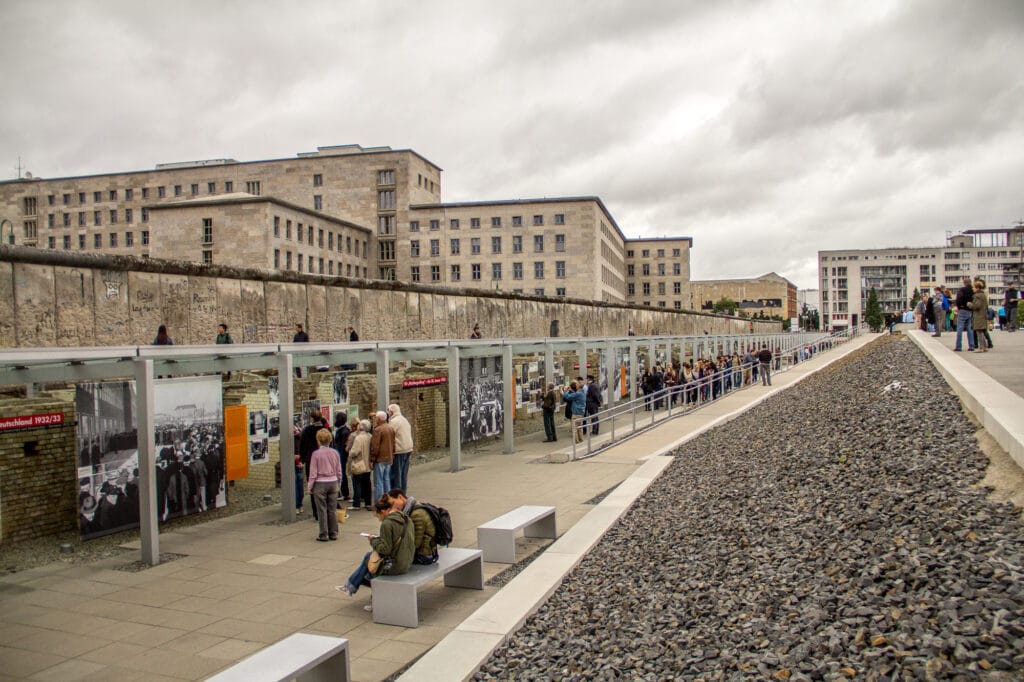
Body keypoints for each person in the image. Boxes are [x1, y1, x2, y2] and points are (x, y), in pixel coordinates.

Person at [335, 496, 415, 605]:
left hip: (396, 565)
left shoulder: (387, 524)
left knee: (369, 564)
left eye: (378, 516)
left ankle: (355, 588)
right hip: (407, 560)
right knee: (369, 561)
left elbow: (385, 550)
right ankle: (352, 586)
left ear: (384, 512)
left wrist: (373, 541)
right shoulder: (406, 519)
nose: (378, 519)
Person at [386, 489, 438, 565]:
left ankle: (365, 577)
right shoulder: (411, 508)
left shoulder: (416, 514)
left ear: (400, 497)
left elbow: (415, 543)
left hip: (424, 555)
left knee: (382, 562)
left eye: (393, 503)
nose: (393, 507)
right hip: (422, 551)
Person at [307, 428, 342, 541]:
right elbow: (339, 470)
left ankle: (324, 533)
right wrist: (339, 483)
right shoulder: (335, 453)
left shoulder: (316, 454)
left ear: (318, 440)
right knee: (332, 509)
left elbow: (313, 473)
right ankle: (334, 532)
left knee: (321, 509)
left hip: (320, 483)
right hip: (333, 482)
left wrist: (310, 487)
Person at [298, 408, 326, 518]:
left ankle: (316, 512)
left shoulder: (307, 430)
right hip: (324, 460)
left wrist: (303, 459)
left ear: (312, 418)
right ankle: (324, 509)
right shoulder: (325, 429)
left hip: (311, 461)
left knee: (313, 485)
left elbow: (302, 446)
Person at [347, 420, 373, 510]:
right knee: (367, 483)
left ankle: (356, 504)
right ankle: (368, 502)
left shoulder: (358, 438)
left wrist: (350, 453)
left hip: (359, 463)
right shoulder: (370, 436)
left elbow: (354, 451)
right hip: (367, 463)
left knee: (357, 484)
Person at [370, 411, 395, 501]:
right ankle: (388, 499)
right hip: (388, 457)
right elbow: (393, 443)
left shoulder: (378, 430)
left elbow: (375, 446)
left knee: (378, 482)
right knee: (386, 479)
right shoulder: (390, 428)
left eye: (376, 418)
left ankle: (379, 501)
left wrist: (372, 459)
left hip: (380, 459)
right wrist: (392, 455)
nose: (375, 419)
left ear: (379, 419)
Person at [388, 404, 413, 493]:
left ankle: (397, 494)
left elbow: (389, 434)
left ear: (391, 412)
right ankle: (403, 493)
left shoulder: (394, 421)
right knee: (403, 474)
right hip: (408, 448)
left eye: (388, 411)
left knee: (397, 474)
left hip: (399, 450)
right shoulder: (404, 419)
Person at [954, 277, 976, 352]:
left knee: (959, 328)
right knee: (969, 329)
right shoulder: (973, 291)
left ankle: (958, 346)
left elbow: (958, 299)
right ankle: (972, 346)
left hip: (962, 310)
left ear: (964, 283)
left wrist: (959, 306)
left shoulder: (962, 290)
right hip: (970, 310)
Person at [333, 412, 351, 501]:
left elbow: (342, 446)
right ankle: (342, 492)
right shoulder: (341, 430)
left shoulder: (344, 431)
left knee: (342, 474)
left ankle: (344, 493)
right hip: (339, 454)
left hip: (341, 456)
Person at [969, 279, 991, 352]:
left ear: (977, 288)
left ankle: (981, 348)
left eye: (974, 287)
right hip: (983, 315)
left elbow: (976, 306)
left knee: (979, 332)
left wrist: (970, 304)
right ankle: (984, 347)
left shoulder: (977, 296)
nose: (973, 289)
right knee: (981, 331)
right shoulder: (983, 295)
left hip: (978, 316)